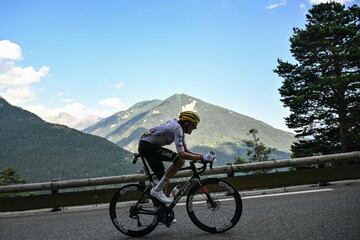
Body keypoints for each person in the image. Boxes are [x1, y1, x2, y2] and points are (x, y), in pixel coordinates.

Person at [138, 111, 216, 204]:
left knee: (163, 178)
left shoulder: (179, 128)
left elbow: (185, 150)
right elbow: (182, 155)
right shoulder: (177, 128)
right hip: (148, 146)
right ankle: (156, 191)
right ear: (187, 123)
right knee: (179, 161)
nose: (195, 128)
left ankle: (161, 210)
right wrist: (199, 157)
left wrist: (202, 157)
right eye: (194, 125)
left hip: (147, 146)